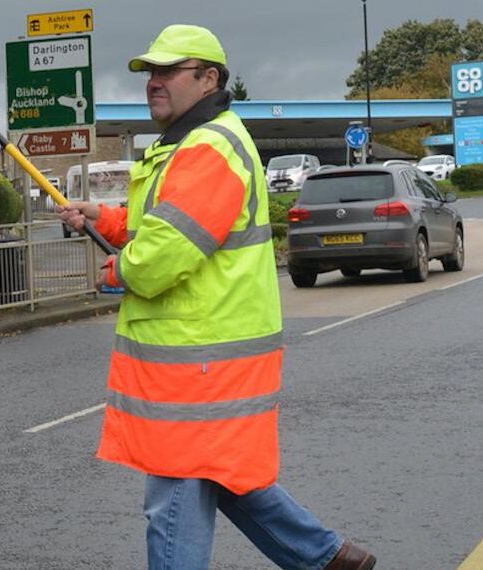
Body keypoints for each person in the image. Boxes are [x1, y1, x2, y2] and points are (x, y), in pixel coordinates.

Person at [58, 25, 376, 570]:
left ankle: (326, 558)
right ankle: (326, 558)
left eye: (168, 71)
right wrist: (107, 220)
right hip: (201, 354)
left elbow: (163, 254)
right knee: (219, 474)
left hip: (201, 359)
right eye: (150, 73)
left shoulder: (209, 147)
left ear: (209, 79)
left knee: (174, 500)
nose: (154, 82)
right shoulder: (189, 143)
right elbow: (167, 226)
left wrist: (119, 272)